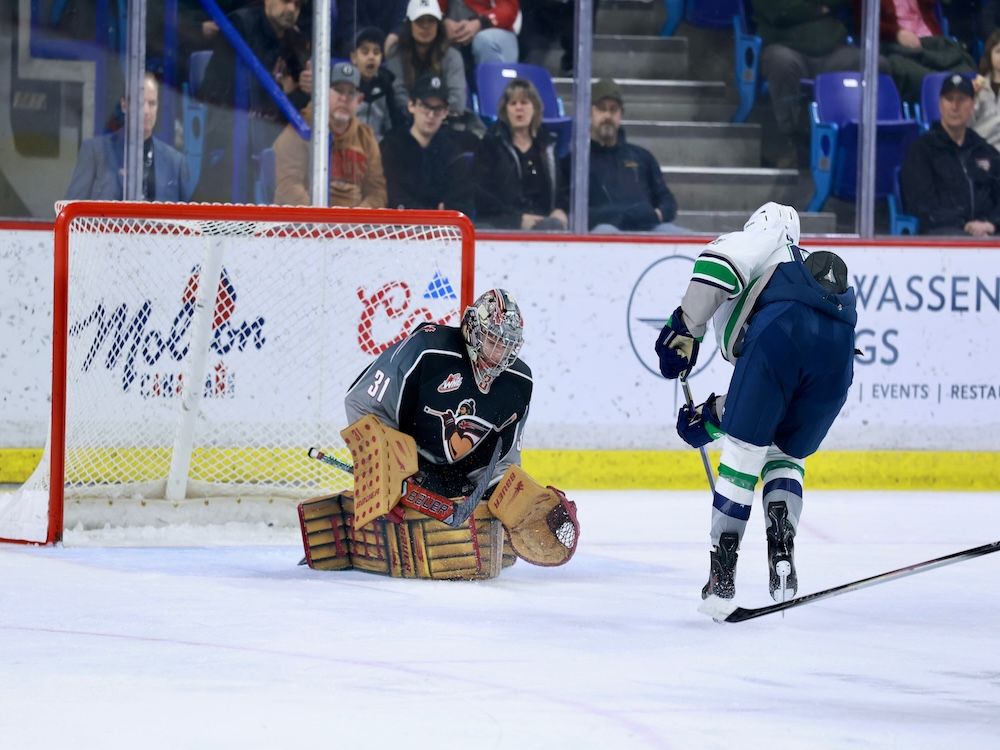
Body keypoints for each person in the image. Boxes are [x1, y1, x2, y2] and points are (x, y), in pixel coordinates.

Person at [653, 203, 857, 606]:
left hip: (780, 338)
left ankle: (722, 572)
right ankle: (781, 548)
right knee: (784, 451)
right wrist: (710, 416)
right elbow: (767, 402)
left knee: (743, 457)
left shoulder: (762, 241)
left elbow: (716, 266)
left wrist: (684, 328)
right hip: (839, 356)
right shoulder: (804, 269)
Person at [298, 289, 579, 580]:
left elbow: (503, 460)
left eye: (507, 346)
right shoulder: (427, 349)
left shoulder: (520, 382)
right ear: (472, 328)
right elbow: (361, 403)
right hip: (411, 466)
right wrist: (385, 476)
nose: (499, 354)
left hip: (459, 479)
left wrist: (510, 498)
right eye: (493, 340)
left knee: (488, 542)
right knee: (414, 515)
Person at [191, 0, 309, 203]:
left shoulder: (295, 40)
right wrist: (281, 89)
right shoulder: (240, 25)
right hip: (231, 124)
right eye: (286, 1)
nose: (291, 9)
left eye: (297, 5)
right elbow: (218, 88)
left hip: (271, 130)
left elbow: (298, 99)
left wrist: (306, 87)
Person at [755, 0, 863, 168]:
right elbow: (778, 11)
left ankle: (853, 148)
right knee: (781, 63)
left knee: (873, 65)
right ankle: (790, 140)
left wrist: (804, 8)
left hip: (833, 49)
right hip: (786, 47)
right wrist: (818, 8)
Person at [273, 61, 387, 208]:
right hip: (308, 224)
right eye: (338, 90)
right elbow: (288, 186)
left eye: (351, 92)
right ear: (322, 93)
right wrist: (323, 221)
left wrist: (357, 219)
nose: (344, 99)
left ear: (359, 100)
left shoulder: (366, 136)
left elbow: (377, 191)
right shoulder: (300, 128)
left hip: (353, 226)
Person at [65, 72, 193, 201]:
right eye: (140, 103)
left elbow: (190, 218)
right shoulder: (95, 152)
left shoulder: (175, 163)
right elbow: (71, 210)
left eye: (152, 103)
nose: (147, 111)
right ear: (124, 105)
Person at [901, 73, 1000, 236]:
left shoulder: (984, 150)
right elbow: (921, 205)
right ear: (940, 105)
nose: (955, 106)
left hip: (988, 232)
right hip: (944, 235)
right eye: (949, 99)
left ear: (972, 105)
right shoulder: (922, 150)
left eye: (961, 100)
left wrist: (991, 224)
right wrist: (965, 225)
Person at [586, 78, 685, 233]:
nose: (607, 115)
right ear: (590, 112)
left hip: (647, 229)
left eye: (613, 110)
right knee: (604, 232)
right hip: (603, 232)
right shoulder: (577, 162)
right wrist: (624, 215)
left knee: (674, 233)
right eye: (601, 109)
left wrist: (656, 214)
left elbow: (667, 201)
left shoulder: (642, 157)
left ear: (621, 114)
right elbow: (576, 212)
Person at [474, 77, 568, 230]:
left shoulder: (548, 146)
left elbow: (562, 190)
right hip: (502, 224)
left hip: (544, 224)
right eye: (513, 103)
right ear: (505, 111)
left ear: (535, 108)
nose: (519, 108)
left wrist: (560, 210)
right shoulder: (490, 145)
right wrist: (517, 220)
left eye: (524, 103)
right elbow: (483, 197)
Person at [379, 74, 473, 212]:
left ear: (446, 112)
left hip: (442, 231)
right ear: (411, 105)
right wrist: (431, 215)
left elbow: (459, 200)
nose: (430, 115)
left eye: (437, 109)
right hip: (399, 228)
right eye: (425, 106)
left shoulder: (452, 152)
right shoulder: (391, 146)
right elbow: (393, 196)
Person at [384, 1, 475, 133]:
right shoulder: (396, 55)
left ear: (439, 24)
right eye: (419, 21)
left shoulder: (452, 57)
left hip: (447, 127)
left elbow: (457, 100)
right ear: (409, 24)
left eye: (431, 21)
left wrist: (433, 116)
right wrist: (422, 118)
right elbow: (398, 96)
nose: (425, 26)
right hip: (405, 126)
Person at [866, 0, 975, 104]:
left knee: (965, 67)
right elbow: (864, 23)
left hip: (932, 42)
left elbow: (930, 4)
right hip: (896, 47)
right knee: (924, 77)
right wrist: (896, 34)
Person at [440, 0, 520, 80]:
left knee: (484, 40)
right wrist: (441, 24)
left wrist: (481, 22)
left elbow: (509, 9)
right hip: (452, 32)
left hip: (495, 30)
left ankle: (497, 88)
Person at [972, 29, 1000, 149]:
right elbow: (967, 123)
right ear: (990, 54)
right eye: (998, 51)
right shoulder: (978, 84)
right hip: (980, 147)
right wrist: (970, 98)